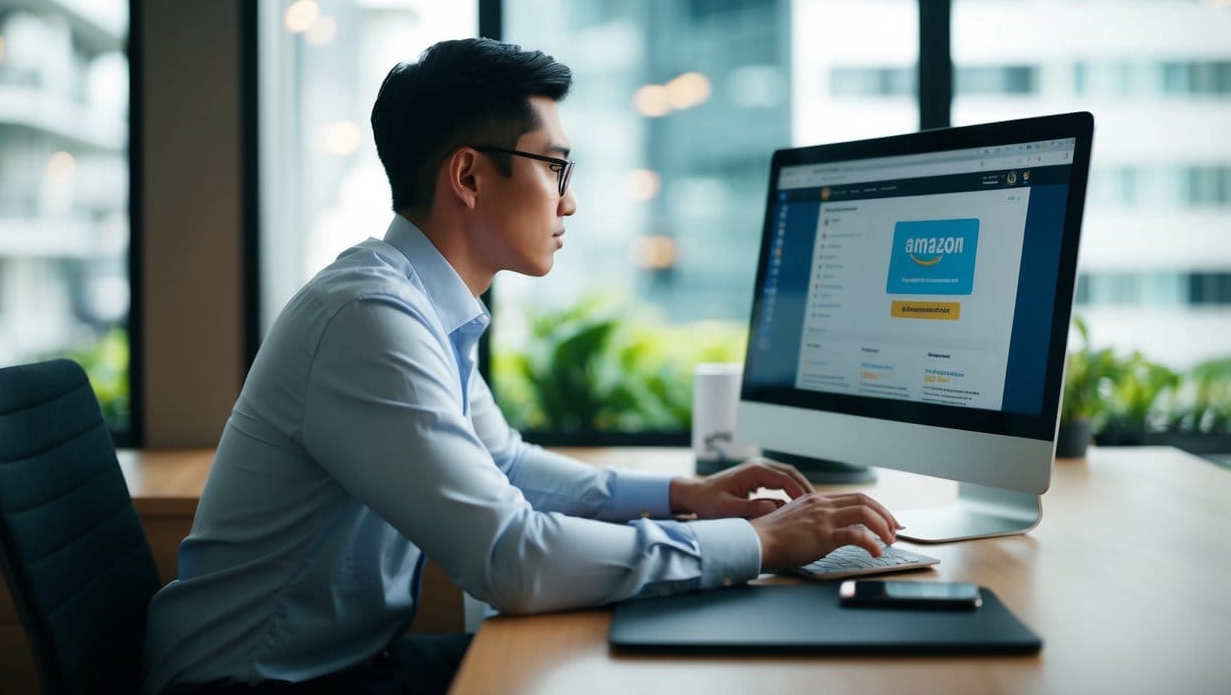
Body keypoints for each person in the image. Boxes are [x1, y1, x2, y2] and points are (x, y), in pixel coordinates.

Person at [141, 38, 901, 695]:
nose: (568, 203)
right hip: (254, 685)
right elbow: (512, 559)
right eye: (554, 168)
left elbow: (502, 463)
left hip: (340, 667)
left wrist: (684, 495)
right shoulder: (368, 320)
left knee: (607, 659)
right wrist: (763, 544)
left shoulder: (414, 305)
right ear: (468, 177)